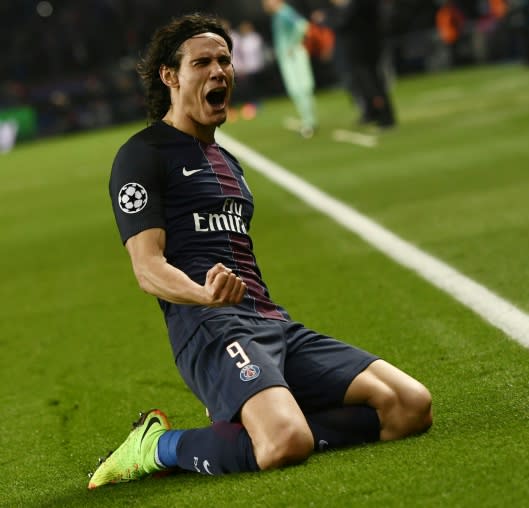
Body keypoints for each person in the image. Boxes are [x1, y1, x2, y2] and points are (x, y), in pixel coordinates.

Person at [88, 12, 432, 489]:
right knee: (284, 444)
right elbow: (147, 269)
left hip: (271, 322)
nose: (219, 72)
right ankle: (157, 445)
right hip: (208, 329)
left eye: (224, 61)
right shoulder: (142, 155)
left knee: (409, 407)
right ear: (170, 76)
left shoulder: (227, 161)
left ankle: (261, 413)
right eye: (203, 62)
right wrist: (203, 295)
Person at [313, 0, 396, 128]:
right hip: (361, 48)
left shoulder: (359, 5)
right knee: (363, 82)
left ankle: (385, 117)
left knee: (372, 83)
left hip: (363, 48)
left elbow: (344, 22)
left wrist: (325, 19)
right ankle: (373, 113)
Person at [262, 0, 317, 138]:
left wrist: (292, 45)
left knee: (300, 87)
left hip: (294, 55)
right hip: (290, 56)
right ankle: (309, 121)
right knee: (298, 88)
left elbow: (302, 25)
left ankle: (309, 122)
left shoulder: (284, 12)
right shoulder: (279, 14)